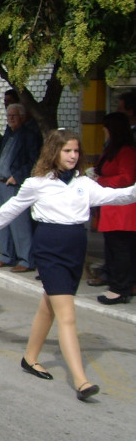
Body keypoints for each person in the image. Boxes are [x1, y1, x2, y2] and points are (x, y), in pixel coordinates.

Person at [0, 129, 136, 401]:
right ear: (54, 152)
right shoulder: (37, 183)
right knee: (67, 315)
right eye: (67, 151)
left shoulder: (84, 184)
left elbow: (117, 197)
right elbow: (12, 207)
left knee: (49, 306)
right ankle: (81, 381)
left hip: (76, 249)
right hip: (50, 248)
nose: (73, 156)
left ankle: (30, 358)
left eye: (76, 151)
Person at [0, 103, 42, 272]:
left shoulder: (29, 135)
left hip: (15, 183)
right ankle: (6, 255)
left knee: (20, 223)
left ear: (23, 117)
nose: (10, 118)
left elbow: (34, 160)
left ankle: (26, 259)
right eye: (9, 115)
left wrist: (18, 176)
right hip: (0, 182)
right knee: (2, 220)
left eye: (14, 115)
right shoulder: (8, 134)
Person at [91, 112, 136, 304]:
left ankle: (120, 288)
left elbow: (126, 178)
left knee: (121, 250)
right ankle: (118, 284)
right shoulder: (112, 148)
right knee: (113, 249)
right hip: (111, 207)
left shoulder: (126, 151)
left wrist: (101, 181)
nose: (103, 131)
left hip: (122, 209)